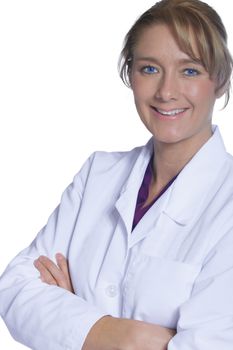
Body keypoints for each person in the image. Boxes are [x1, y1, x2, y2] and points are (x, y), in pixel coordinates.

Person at [1, 0, 233, 349]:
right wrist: (127, 336)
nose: (166, 92)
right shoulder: (99, 173)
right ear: (130, 75)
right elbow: (15, 288)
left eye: (189, 71)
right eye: (150, 69)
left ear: (220, 80)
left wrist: (69, 317)